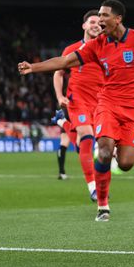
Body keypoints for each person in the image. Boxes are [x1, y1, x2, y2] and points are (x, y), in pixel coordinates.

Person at [18, 0, 134, 221]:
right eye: (99, 16)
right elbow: (65, 61)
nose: (101, 20)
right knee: (104, 151)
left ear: (118, 19)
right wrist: (33, 67)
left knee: (125, 164)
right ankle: (102, 205)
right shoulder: (98, 44)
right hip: (106, 104)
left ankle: (84, 138)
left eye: (105, 16)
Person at [52, 10, 103, 199]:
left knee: (96, 143)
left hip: (101, 101)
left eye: (99, 22)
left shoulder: (107, 49)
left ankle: (63, 123)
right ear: (84, 26)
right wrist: (59, 96)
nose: (96, 25)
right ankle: (93, 188)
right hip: (78, 99)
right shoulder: (72, 50)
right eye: (92, 22)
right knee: (87, 138)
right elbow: (58, 73)